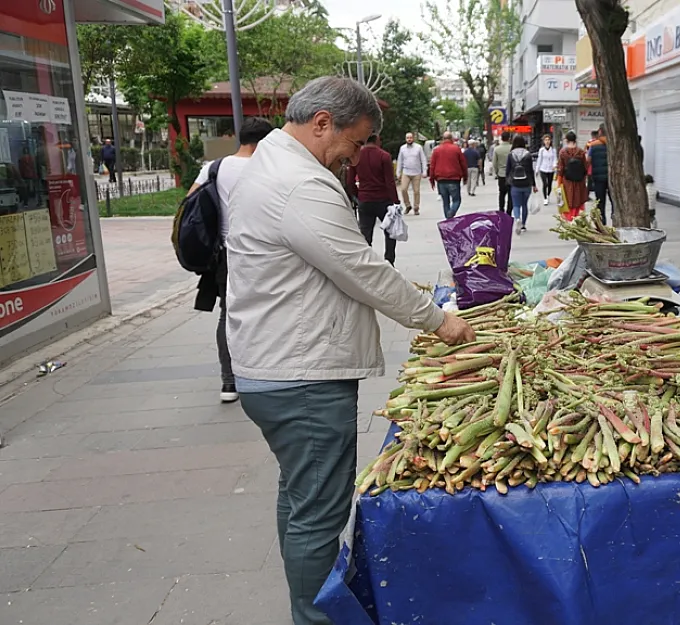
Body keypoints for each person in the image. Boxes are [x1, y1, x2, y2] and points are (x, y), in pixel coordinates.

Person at [224, 76, 475, 625]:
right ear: (321, 123)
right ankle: (318, 617)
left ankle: (307, 607)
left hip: (273, 362)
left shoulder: (268, 162)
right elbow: (361, 269)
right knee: (318, 512)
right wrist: (438, 322)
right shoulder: (300, 184)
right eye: (355, 142)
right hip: (300, 373)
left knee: (300, 499)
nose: (357, 155)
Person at [186, 117, 275, 404]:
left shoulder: (214, 167)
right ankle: (265, 374)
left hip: (225, 254)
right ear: (264, 142)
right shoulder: (267, 167)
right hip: (264, 252)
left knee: (229, 315)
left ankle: (229, 381)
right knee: (268, 312)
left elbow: (190, 201)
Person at [347, 134, 400, 265]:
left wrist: (356, 195)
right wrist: (395, 200)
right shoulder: (384, 156)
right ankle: (389, 260)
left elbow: (350, 180)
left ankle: (367, 263)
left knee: (365, 234)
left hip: (365, 200)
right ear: (377, 140)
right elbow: (390, 181)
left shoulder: (356, 156)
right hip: (384, 201)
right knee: (390, 233)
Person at [429, 131, 467, 219]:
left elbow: (432, 165)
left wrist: (432, 179)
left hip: (441, 180)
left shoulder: (436, 150)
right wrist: (465, 177)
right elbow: (463, 164)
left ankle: (448, 220)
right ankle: (451, 214)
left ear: (442, 139)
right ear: (452, 139)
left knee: (445, 202)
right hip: (454, 179)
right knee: (456, 200)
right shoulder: (456, 149)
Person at [506, 134, 538, 235]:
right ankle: (523, 225)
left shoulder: (511, 154)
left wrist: (508, 181)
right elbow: (530, 170)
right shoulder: (527, 154)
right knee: (524, 205)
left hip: (515, 183)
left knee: (516, 205)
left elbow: (508, 170)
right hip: (526, 183)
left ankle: (517, 219)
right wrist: (534, 184)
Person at [557, 131, 589, 220]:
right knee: (579, 200)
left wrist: (559, 183)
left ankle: (569, 219)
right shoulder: (581, 152)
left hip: (567, 181)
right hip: (579, 181)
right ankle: (578, 218)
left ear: (567, 140)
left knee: (568, 200)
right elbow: (585, 167)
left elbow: (560, 169)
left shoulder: (563, 152)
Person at [396, 132, 426, 216]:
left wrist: (424, 171)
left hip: (416, 172)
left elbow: (423, 160)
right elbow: (400, 161)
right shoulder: (402, 148)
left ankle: (416, 208)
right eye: (407, 138)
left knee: (416, 191)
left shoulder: (418, 148)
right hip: (406, 172)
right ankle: (407, 205)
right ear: (405, 139)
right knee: (403, 189)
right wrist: (398, 172)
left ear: (413, 138)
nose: (409, 139)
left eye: (410, 138)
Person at [587, 125, 611, 223]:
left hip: (598, 177)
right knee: (614, 200)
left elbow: (588, 160)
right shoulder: (612, 144)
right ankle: (615, 219)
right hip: (611, 177)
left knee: (600, 201)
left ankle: (602, 221)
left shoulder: (593, 145)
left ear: (600, 131)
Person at [493, 131, 513, 213]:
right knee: (510, 194)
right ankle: (509, 211)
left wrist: (497, 172)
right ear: (509, 138)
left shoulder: (497, 149)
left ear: (501, 138)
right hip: (511, 175)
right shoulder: (512, 148)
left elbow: (494, 163)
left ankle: (501, 209)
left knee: (502, 193)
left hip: (501, 174)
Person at [536, 134, 557, 206]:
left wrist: (554, 165)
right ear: (543, 141)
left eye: (548, 140)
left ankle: (548, 195)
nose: (547, 141)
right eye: (546, 140)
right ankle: (545, 198)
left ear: (550, 141)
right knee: (545, 184)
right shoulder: (541, 150)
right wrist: (537, 169)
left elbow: (555, 158)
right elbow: (539, 160)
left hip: (551, 169)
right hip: (543, 168)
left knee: (550, 184)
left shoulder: (553, 150)